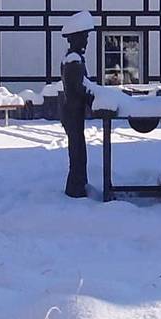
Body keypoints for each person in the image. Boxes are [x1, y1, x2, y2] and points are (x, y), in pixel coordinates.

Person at [59, 10, 95, 198]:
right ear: (76, 39)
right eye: (85, 38)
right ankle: (75, 188)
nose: (86, 42)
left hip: (73, 112)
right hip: (72, 113)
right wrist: (98, 99)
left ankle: (78, 185)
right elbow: (82, 88)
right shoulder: (73, 61)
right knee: (77, 152)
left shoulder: (72, 58)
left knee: (79, 150)